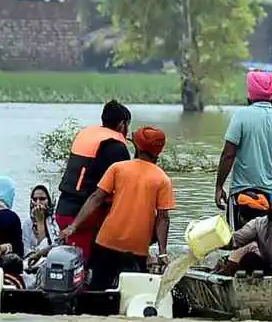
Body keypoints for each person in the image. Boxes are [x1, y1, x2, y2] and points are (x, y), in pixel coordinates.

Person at [61, 126, 174, 290]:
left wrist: (73, 226)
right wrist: (162, 252)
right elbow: (163, 219)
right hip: (137, 247)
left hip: (107, 241)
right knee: (131, 293)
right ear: (159, 151)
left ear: (137, 147)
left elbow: (95, 198)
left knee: (96, 289)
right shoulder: (163, 179)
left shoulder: (118, 168)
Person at [53, 100, 132, 262]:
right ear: (122, 124)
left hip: (63, 210)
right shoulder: (117, 147)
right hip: (84, 218)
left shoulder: (86, 136)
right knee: (83, 268)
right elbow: (117, 193)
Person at [214, 70, 272, 231]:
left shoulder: (241, 116)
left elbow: (228, 155)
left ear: (250, 91)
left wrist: (218, 186)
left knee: (238, 240)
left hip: (244, 193)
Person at [22, 184, 60, 259]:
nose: (38, 203)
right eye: (35, 199)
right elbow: (26, 251)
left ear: (49, 200)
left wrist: (40, 222)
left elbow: (50, 248)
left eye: (42, 199)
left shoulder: (56, 221)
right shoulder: (28, 223)